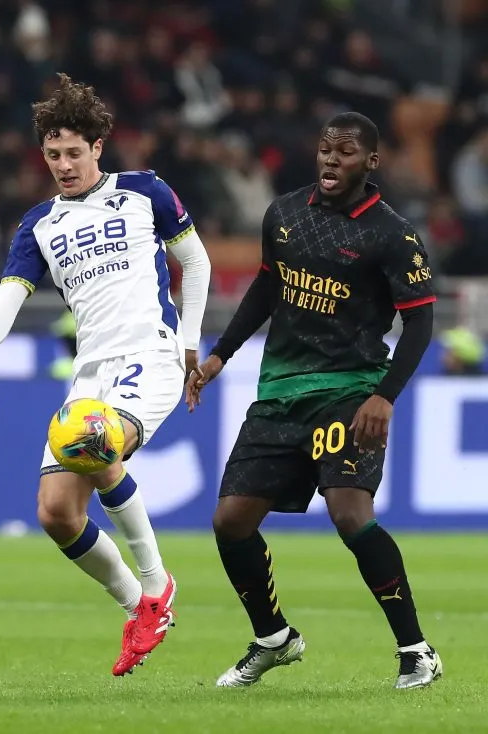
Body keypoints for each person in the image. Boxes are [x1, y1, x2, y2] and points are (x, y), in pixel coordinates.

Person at [0, 74, 211, 677]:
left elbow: (194, 262)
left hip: (151, 355)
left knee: (94, 442)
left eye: (73, 152)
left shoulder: (145, 192)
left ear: (97, 147)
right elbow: (8, 298)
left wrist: (191, 341)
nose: (63, 165)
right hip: (91, 373)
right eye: (52, 154)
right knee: (56, 512)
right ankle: (136, 606)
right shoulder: (38, 224)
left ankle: (157, 584)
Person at [186, 112, 442, 690]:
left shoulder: (391, 234)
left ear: (370, 163)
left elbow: (420, 327)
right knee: (230, 522)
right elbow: (268, 286)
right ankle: (274, 638)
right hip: (279, 392)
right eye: (326, 148)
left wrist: (384, 396)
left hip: (350, 391)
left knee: (350, 513)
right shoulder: (284, 214)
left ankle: (416, 650)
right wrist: (219, 355)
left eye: (346, 152)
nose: (331, 159)